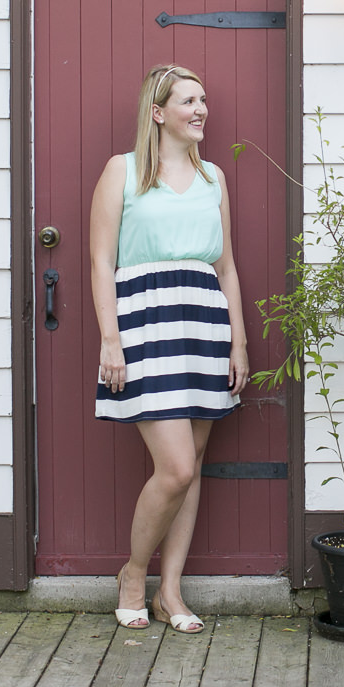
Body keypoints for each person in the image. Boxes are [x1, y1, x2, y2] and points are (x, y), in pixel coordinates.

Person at [88, 63, 249, 633]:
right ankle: (134, 574)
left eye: (204, 99)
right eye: (188, 101)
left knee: (195, 465)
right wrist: (111, 339)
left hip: (204, 326)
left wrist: (240, 342)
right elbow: (100, 263)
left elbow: (226, 268)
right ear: (158, 113)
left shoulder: (214, 179)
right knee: (176, 467)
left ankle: (171, 593)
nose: (201, 109)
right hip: (145, 325)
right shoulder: (123, 171)